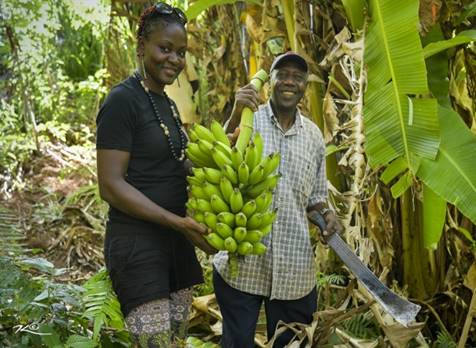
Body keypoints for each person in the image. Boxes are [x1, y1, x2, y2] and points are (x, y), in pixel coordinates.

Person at [95, 3, 215, 347]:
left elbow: (181, 163)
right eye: (165, 48)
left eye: (181, 52)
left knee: (173, 342)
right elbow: (111, 185)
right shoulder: (122, 100)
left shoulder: (167, 104)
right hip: (139, 246)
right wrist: (178, 222)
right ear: (141, 46)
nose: (174, 60)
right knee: (155, 343)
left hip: (176, 245)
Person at [213, 52, 342, 348]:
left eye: (297, 77)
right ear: (269, 81)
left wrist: (327, 214)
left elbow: (316, 199)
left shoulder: (313, 137)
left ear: (304, 87)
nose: (289, 81)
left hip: (294, 273)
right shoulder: (248, 120)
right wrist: (234, 114)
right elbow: (214, 163)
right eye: (281, 74)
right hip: (241, 265)